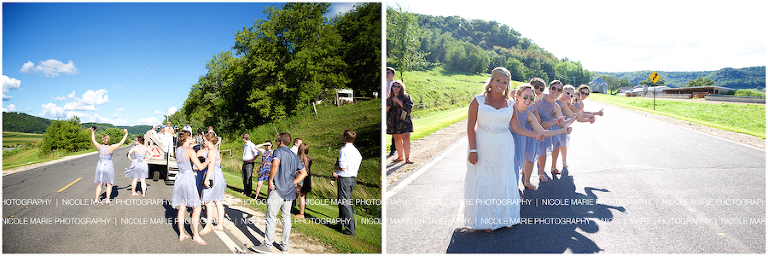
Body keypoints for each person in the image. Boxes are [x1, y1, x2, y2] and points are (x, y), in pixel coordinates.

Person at [465, 68, 546, 232]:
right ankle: (486, 219)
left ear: (508, 84)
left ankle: (505, 216)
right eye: (498, 81)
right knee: (486, 179)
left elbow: (516, 127)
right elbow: (470, 126)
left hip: (504, 146)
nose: (501, 85)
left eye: (504, 82)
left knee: (504, 179)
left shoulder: (510, 103)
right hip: (483, 144)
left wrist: (535, 134)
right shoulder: (478, 100)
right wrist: (473, 149)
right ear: (492, 80)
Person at [251, 133, 307, 254]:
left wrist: (270, 180)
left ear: (280, 142)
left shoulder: (278, 151)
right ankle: (284, 245)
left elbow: (275, 164)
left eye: (277, 140)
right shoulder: (295, 156)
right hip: (290, 191)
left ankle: (267, 245)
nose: (276, 142)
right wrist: (293, 182)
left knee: (271, 217)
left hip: (278, 189)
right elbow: (304, 173)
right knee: (286, 218)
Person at [511, 84, 572, 190]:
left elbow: (542, 132)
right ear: (518, 96)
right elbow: (516, 128)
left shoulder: (529, 115)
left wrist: (562, 130)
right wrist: (535, 135)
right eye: (525, 96)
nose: (528, 100)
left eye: (531, 98)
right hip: (506, 139)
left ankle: (515, 191)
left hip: (520, 138)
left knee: (516, 165)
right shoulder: (510, 107)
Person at [171, 130, 210, 245]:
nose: (193, 138)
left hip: (180, 179)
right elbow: (200, 167)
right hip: (188, 179)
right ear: (188, 138)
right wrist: (208, 160)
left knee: (182, 207)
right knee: (197, 208)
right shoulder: (190, 150)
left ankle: (182, 234)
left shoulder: (178, 149)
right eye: (191, 137)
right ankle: (196, 236)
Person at [535, 80, 577, 181]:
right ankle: (525, 169)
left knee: (554, 144)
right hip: (531, 124)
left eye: (559, 90)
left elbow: (562, 123)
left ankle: (544, 172)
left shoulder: (556, 106)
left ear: (560, 92)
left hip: (546, 125)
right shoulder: (540, 97)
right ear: (549, 88)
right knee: (528, 150)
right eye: (554, 88)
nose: (556, 91)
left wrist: (575, 118)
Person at [332, 130, 362, 236]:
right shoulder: (356, 151)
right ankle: (340, 224)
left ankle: (350, 229)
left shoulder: (344, 151)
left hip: (344, 178)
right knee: (343, 202)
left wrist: (336, 167)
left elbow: (343, 167)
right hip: (352, 177)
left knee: (345, 203)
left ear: (345, 137)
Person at [90, 127, 128, 204]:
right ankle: (107, 199)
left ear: (102, 140)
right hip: (108, 165)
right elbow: (121, 143)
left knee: (100, 183)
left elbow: (93, 140)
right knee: (109, 183)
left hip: (100, 165)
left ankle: (96, 199)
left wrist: (92, 132)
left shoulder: (99, 146)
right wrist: (126, 134)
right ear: (108, 140)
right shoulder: (111, 147)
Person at [200, 133, 227, 235]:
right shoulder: (215, 150)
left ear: (209, 141)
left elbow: (210, 168)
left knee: (208, 202)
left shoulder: (211, 151)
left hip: (213, 176)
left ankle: (208, 226)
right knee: (218, 201)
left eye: (204, 140)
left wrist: (206, 179)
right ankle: (220, 224)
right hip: (218, 175)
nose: (203, 141)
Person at [386, 80, 414, 164]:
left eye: (398, 86)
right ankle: (400, 156)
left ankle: (407, 158)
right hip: (393, 121)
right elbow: (386, 112)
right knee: (397, 139)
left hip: (404, 119)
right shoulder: (389, 98)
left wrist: (398, 101)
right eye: (394, 86)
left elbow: (409, 108)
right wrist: (386, 109)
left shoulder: (406, 97)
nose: (396, 88)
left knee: (406, 139)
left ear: (401, 88)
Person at [295, 143, 313, 219]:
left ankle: (301, 213)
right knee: (303, 196)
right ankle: (302, 212)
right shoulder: (309, 158)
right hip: (307, 179)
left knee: (297, 195)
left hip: (299, 178)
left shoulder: (298, 158)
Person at [242, 134, 259, 198]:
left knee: (248, 177)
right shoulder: (245, 145)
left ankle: (249, 192)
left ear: (245, 138)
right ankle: (245, 190)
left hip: (249, 163)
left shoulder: (251, 145)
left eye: (243, 138)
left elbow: (256, 153)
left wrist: (252, 160)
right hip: (245, 162)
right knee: (244, 177)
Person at [386, 67, 397, 157]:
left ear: (393, 74)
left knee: (393, 130)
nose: (387, 74)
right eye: (385, 73)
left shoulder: (396, 85)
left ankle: (393, 148)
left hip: (392, 109)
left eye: (388, 73)